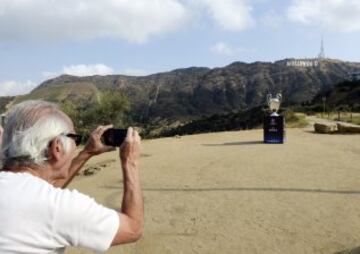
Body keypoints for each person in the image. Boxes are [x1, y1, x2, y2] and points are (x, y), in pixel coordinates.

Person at [0, 100, 143, 253]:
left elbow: (38, 191)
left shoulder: (18, 189)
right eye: (76, 139)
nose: (77, 145)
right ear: (57, 147)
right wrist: (130, 162)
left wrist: (87, 152)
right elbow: (132, 229)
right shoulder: (59, 207)